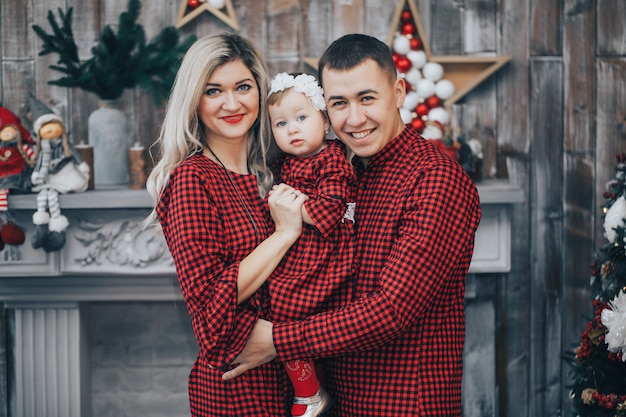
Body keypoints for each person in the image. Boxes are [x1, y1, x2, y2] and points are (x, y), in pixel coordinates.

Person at [223, 33, 482, 417]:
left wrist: (277, 339)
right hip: (340, 400)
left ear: (398, 92)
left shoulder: (435, 178)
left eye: (367, 98)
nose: (354, 119)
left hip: (403, 403)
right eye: (339, 103)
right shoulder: (342, 170)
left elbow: (391, 309)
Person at [144, 33, 307, 416]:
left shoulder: (273, 171)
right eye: (213, 91)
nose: (232, 104)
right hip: (238, 390)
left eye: (243, 87)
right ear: (194, 101)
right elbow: (208, 297)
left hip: (295, 376)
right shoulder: (192, 179)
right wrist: (284, 234)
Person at [266, 72, 357, 417]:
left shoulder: (331, 159)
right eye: (281, 123)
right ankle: (310, 388)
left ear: (323, 119)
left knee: (285, 314)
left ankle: (310, 395)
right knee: (280, 310)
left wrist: (290, 204)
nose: (292, 129)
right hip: (300, 254)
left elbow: (330, 211)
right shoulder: (283, 163)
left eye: (302, 118)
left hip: (326, 254)